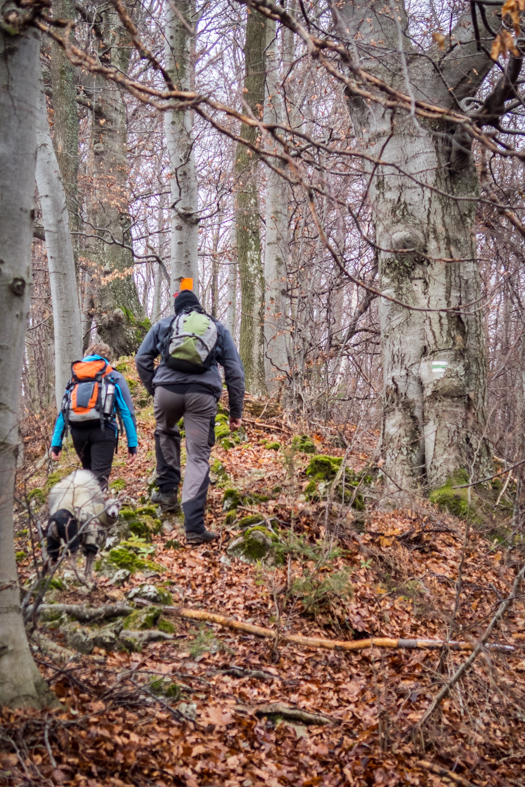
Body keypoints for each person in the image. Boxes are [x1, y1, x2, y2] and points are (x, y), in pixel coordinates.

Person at [135, 286, 245, 545]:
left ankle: (168, 493)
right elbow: (235, 372)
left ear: (179, 310)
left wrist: (156, 388)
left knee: (165, 431)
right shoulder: (216, 327)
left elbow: (142, 359)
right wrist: (236, 412)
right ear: (199, 309)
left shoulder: (165, 324)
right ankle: (194, 527)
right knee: (197, 457)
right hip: (202, 395)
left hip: (166, 392)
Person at [50, 342, 138, 489]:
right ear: (107, 358)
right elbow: (126, 411)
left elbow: (63, 412)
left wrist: (56, 444)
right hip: (104, 431)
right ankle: (97, 510)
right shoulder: (113, 375)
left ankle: (86, 509)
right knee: (99, 482)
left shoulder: (75, 378)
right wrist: (132, 444)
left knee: (89, 478)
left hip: (78, 432)